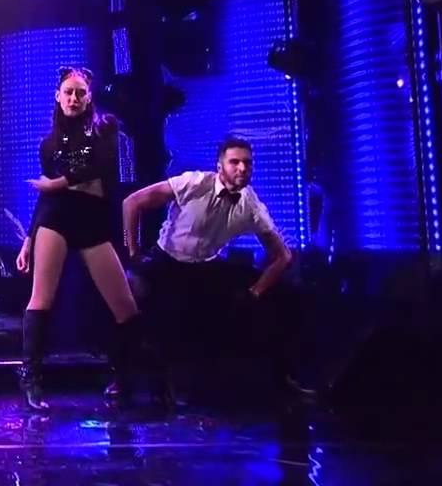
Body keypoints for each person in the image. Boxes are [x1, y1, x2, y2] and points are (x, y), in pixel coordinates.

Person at [122, 135, 312, 402]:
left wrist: (256, 291)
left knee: (285, 295)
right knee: (133, 298)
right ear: (220, 166)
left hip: (206, 268)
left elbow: (283, 256)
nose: (242, 168)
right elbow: (131, 203)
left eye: (247, 163)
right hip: (167, 261)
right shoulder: (194, 182)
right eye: (235, 162)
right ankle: (129, 380)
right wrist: (133, 252)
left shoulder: (251, 205)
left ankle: (282, 381)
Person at [15, 67, 150, 410]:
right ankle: (31, 379)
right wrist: (29, 239)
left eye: (80, 93)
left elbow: (97, 168)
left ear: (89, 98)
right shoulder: (48, 144)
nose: (73, 98)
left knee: (124, 305)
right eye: (68, 92)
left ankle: (127, 375)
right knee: (41, 297)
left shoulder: (106, 128)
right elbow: (46, 197)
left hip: (91, 220)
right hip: (56, 217)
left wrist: (57, 183)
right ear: (58, 96)